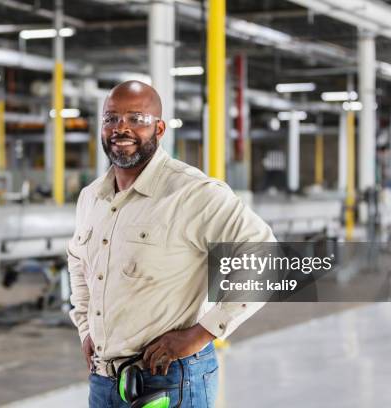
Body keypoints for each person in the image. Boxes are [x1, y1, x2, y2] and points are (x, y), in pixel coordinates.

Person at [68, 80, 275, 407]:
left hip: (171, 379)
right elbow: (78, 263)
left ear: (160, 128)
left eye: (136, 119)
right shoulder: (91, 197)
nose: (121, 128)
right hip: (105, 379)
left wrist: (203, 332)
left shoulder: (193, 194)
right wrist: (84, 327)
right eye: (111, 119)